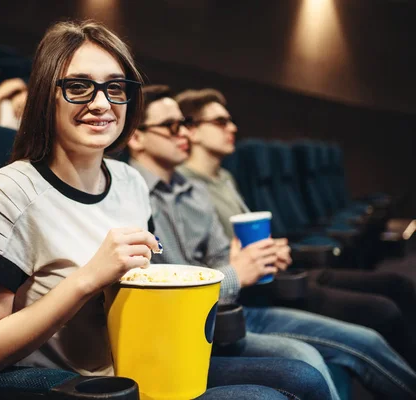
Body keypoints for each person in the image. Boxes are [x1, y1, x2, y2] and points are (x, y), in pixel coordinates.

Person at [0, 20, 332, 400]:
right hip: (87, 389)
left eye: (115, 88)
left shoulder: (129, 182)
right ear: (45, 95)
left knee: (303, 376)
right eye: (79, 86)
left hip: (152, 363)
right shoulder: (10, 191)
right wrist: (88, 279)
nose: (101, 103)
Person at [127, 84, 416, 400]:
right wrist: (237, 271)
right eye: (171, 126)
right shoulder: (130, 196)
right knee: (307, 362)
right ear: (136, 137)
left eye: (184, 123)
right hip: (195, 329)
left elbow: (223, 256)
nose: (184, 132)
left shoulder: (193, 192)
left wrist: (250, 259)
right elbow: (166, 301)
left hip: (235, 307)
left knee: (363, 338)